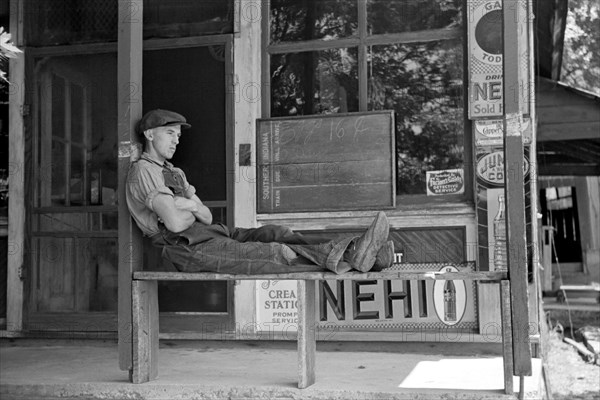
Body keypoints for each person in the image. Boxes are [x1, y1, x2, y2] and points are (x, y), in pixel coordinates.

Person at [126, 109, 394, 275]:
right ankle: (356, 257)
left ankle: (357, 254)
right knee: (274, 253)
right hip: (186, 248)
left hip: (213, 233)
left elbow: (205, 216)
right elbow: (173, 224)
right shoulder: (143, 172)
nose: (176, 140)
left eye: (178, 136)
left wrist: (190, 207)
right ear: (150, 135)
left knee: (277, 234)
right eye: (170, 133)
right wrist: (184, 208)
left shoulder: (175, 172)